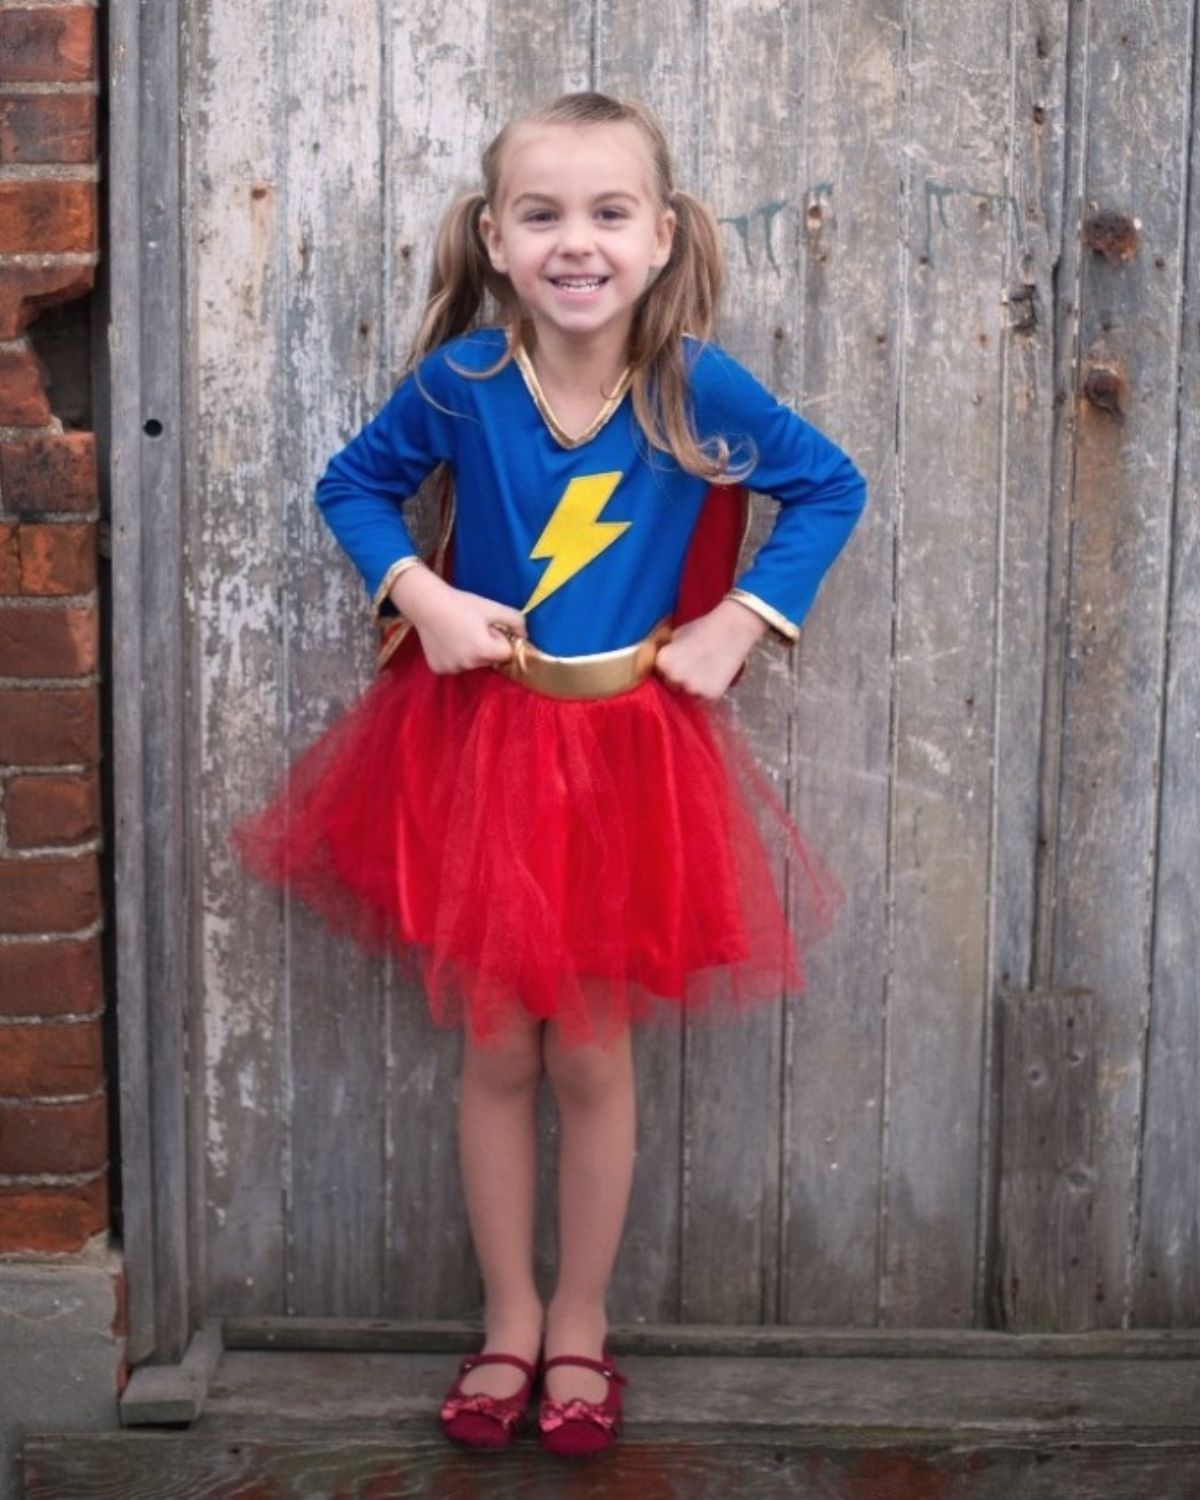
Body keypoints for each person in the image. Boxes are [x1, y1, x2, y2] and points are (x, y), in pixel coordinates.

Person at [231, 90, 867, 1458]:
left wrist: (741, 620)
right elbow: (351, 487)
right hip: (479, 748)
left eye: (608, 213)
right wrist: (422, 595)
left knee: (588, 1046)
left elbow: (830, 487)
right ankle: (508, 1317)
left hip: (630, 759)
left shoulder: (696, 387)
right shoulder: (463, 383)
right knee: (494, 1043)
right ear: (496, 239)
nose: (576, 242)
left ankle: (581, 1319)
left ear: (662, 234)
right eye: (542, 215)